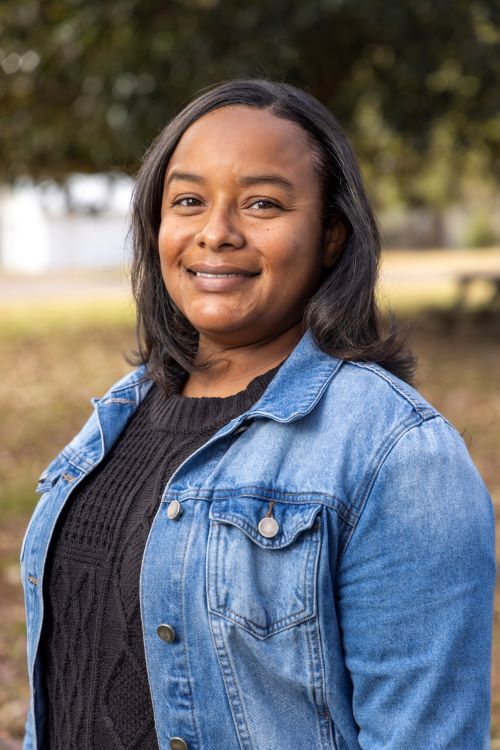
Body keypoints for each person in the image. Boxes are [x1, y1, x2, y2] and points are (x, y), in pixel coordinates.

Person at [20, 79, 495, 750]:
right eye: (188, 201)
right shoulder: (116, 418)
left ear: (332, 234)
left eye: (263, 204)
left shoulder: (394, 452)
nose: (216, 233)